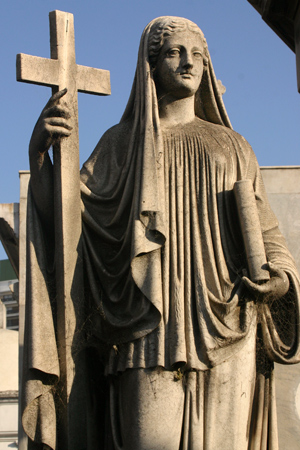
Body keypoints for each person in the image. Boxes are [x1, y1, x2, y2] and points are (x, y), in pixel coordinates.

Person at [23, 16, 300, 450]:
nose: (189, 63)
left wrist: (279, 278)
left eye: (198, 56)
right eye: (174, 52)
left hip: (228, 321)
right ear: (150, 66)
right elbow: (67, 223)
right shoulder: (121, 144)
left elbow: (268, 236)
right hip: (145, 325)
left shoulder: (233, 146)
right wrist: (39, 155)